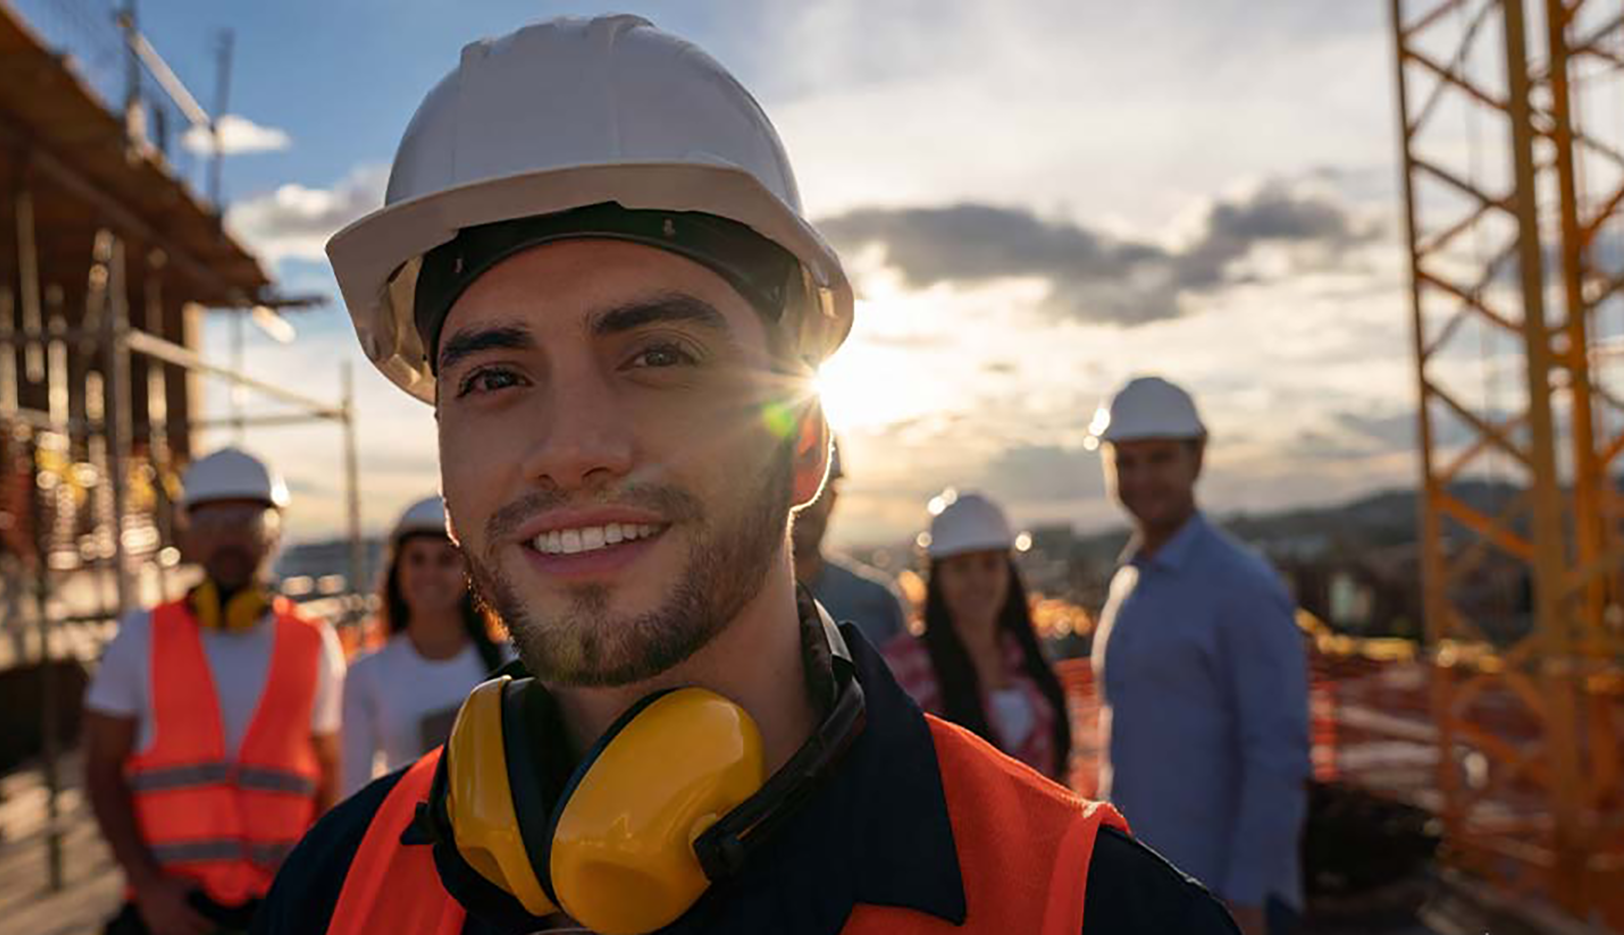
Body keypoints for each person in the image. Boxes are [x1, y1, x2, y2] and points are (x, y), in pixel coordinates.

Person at [259, 16, 1237, 935]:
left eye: (659, 357)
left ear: (804, 440)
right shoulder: (338, 891)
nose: (572, 445)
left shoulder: (1076, 904)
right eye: (497, 376)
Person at [82, 447, 345, 935]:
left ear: (274, 533)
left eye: (245, 520)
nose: (228, 536)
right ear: (188, 534)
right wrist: (149, 889)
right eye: (212, 521)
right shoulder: (139, 639)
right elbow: (101, 769)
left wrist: (315, 880)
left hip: (281, 903)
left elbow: (333, 772)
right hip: (172, 911)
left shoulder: (314, 642)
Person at [1088, 376, 1310, 935]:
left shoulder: (1241, 586)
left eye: (1159, 458)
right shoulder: (1129, 583)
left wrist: (1248, 898)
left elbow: (1277, 753)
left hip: (1224, 903)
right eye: (1126, 461)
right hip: (1151, 888)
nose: (1141, 478)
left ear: (1198, 456)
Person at [883, 491, 1073, 783]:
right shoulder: (904, 667)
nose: (978, 581)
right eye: (960, 567)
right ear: (937, 578)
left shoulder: (1025, 656)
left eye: (990, 564)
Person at [341, 496, 506, 794]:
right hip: (409, 839)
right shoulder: (365, 675)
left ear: (471, 573)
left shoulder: (512, 662)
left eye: (445, 560)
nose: (429, 573)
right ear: (397, 572)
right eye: (417, 559)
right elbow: (353, 792)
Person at [790, 441, 909, 648]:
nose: (801, 504)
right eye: (787, 487)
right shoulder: (726, 608)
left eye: (813, 490)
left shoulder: (878, 605)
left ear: (833, 499)